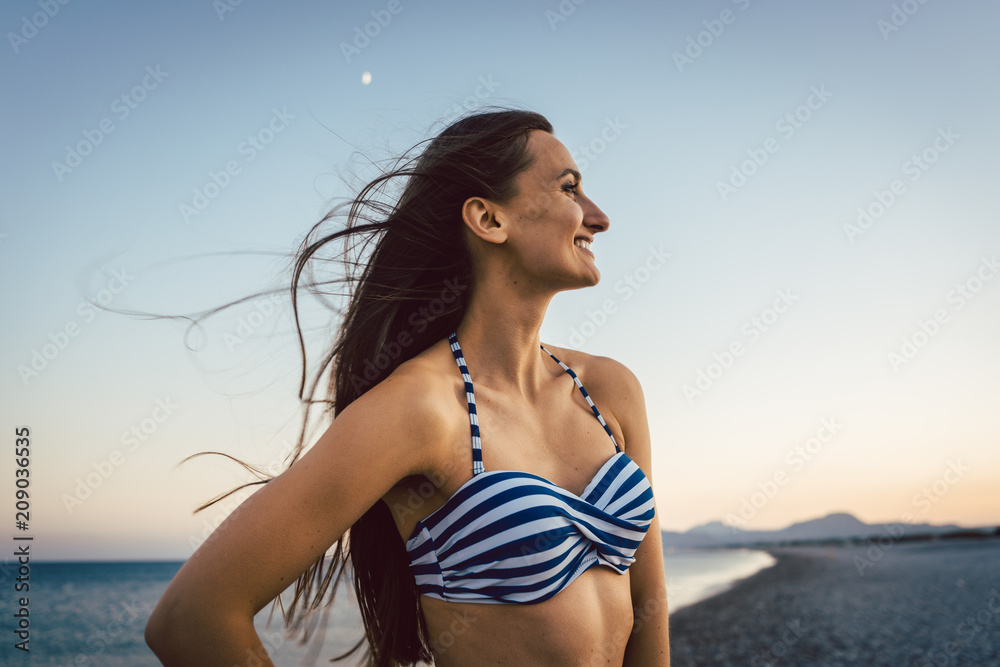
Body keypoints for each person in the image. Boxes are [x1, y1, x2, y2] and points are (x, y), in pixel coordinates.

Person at [144, 107, 670, 666]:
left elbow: (650, 610)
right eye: (570, 189)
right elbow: (192, 617)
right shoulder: (421, 409)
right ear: (489, 219)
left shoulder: (611, 390)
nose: (599, 217)